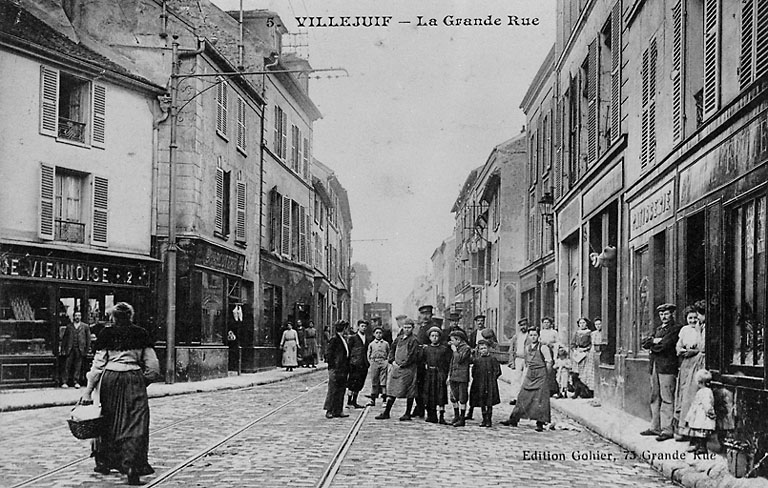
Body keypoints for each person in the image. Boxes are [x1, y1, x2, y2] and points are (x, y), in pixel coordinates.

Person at [80, 302, 159, 485]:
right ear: (131, 316)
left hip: (110, 380)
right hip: (134, 378)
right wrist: (140, 381)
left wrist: (88, 392)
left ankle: (105, 462)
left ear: (113, 317)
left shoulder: (106, 334)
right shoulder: (141, 333)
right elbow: (153, 367)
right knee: (136, 423)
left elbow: (98, 366)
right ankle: (132, 466)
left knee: (109, 421)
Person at [640, 303, 682, 442]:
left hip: (667, 367)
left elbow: (664, 346)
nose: (664, 316)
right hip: (655, 367)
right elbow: (645, 343)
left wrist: (654, 344)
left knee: (667, 397)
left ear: (672, 314)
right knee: (654, 396)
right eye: (661, 314)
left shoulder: (676, 329)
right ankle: (655, 427)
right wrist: (654, 341)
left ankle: (667, 429)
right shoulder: (658, 329)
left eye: (666, 314)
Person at [501, 327, 553, 432]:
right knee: (522, 396)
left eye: (535, 335)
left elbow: (549, 362)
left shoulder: (543, 348)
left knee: (540, 398)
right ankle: (514, 419)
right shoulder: (527, 347)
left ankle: (540, 422)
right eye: (531, 335)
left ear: (538, 336)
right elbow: (526, 361)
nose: (533, 337)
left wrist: (547, 375)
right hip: (530, 374)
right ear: (528, 336)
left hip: (541, 374)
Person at [376, 318, 421, 421]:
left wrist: (403, 364)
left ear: (412, 328)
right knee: (392, 390)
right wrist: (392, 361)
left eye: (409, 328)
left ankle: (407, 413)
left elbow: (412, 355)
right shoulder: (399, 339)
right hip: (396, 368)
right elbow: (392, 350)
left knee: (410, 391)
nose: (407, 329)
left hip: (408, 370)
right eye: (405, 327)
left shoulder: (414, 340)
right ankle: (386, 412)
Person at [674, 306, 706, 440]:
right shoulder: (684, 330)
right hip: (686, 363)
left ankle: (690, 431)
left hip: (696, 363)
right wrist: (681, 350)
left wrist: (694, 351)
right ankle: (681, 428)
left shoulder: (701, 329)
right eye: (690, 318)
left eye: (695, 317)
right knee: (682, 392)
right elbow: (678, 345)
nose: (694, 320)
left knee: (691, 394)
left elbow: (702, 347)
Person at [421, 326, 452, 424]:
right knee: (429, 394)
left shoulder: (444, 349)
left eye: (436, 336)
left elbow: (448, 363)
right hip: (429, 374)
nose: (434, 338)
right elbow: (422, 360)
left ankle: (441, 416)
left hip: (439, 374)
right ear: (429, 337)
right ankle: (431, 415)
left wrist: (446, 375)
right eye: (432, 336)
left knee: (440, 394)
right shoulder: (426, 349)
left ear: (439, 337)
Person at [682, 369, 716, 455]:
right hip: (698, 415)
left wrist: (709, 412)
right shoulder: (703, 391)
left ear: (699, 382)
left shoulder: (705, 392)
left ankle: (702, 447)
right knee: (698, 432)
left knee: (702, 432)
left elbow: (707, 404)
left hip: (702, 416)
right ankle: (698, 445)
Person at [469, 340, 502, 427]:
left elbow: (498, 371)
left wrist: (492, 378)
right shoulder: (477, 360)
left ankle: (489, 419)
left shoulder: (493, 359)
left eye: (485, 348)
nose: (483, 350)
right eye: (481, 349)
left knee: (489, 402)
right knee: (482, 401)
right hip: (481, 384)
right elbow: (474, 372)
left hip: (490, 383)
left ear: (488, 349)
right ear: (479, 350)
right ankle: (484, 419)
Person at [324, 321, 350, 419]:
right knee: (333, 389)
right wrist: (332, 367)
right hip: (336, 369)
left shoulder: (343, 339)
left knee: (341, 389)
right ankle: (329, 410)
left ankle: (338, 410)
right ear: (343, 328)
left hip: (343, 369)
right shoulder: (334, 339)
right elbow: (329, 355)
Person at [447, 329, 472, 427]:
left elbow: (459, 360)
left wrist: (454, 350)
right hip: (454, 376)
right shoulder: (457, 347)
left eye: (453, 340)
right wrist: (449, 376)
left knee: (462, 398)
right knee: (453, 397)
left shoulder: (466, 348)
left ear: (458, 340)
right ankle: (456, 416)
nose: (451, 342)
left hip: (462, 377)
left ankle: (462, 419)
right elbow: (452, 363)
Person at [61, 311, 92, 388]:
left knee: (78, 366)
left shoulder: (85, 326)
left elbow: (88, 339)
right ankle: (65, 382)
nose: (77, 317)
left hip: (80, 349)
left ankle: (76, 382)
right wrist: (63, 349)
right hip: (70, 349)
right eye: (76, 316)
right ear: (73, 317)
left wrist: (86, 350)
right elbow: (65, 339)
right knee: (67, 365)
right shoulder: (69, 326)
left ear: (81, 317)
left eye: (79, 315)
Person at [346, 319, 370, 409]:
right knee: (352, 383)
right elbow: (349, 350)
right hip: (354, 364)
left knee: (360, 383)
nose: (363, 328)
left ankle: (354, 401)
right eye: (362, 326)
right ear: (358, 327)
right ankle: (349, 402)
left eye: (365, 326)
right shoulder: (353, 338)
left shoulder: (367, 338)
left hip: (363, 364)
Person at [571, 317, 595, 397]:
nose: (582, 325)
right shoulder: (576, 333)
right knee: (576, 374)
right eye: (580, 323)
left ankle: (585, 392)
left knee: (584, 374)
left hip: (586, 355)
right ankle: (576, 391)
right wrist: (575, 350)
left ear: (587, 324)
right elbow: (572, 344)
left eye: (583, 323)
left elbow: (592, 344)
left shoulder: (589, 333)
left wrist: (585, 349)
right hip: (578, 354)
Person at [366, 326, 391, 406]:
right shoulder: (371, 344)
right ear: (374, 334)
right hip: (374, 362)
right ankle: (373, 400)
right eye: (377, 333)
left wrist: (386, 362)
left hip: (383, 362)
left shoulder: (386, 344)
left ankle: (384, 400)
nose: (378, 335)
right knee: (374, 381)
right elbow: (368, 354)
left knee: (383, 381)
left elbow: (389, 353)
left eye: (380, 333)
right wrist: (371, 362)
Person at [508, 318, 530, 405]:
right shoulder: (516, 337)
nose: (523, 327)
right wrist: (511, 362)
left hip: (526, 360)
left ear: (527, 325)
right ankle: (514, 397)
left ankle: (524, 398)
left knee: (525, 378)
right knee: (515, 378)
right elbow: (511, 350)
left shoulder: (529, 336)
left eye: (524, 325)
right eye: (521, 325)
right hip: (517, 359)